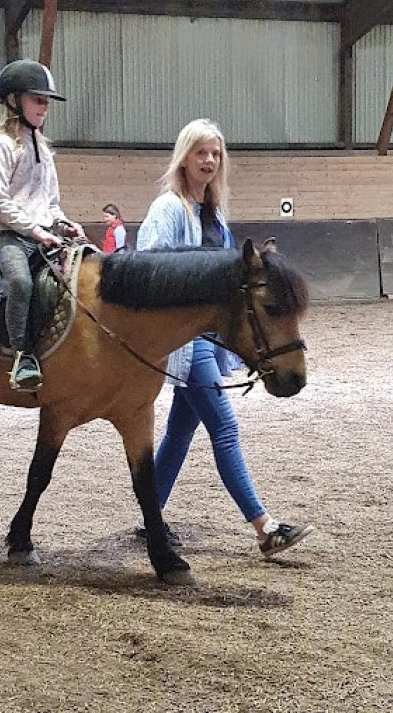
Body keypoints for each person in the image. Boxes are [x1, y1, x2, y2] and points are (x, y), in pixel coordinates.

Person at [135, 118, 314, 557]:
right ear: (184, 158)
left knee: (180, 431)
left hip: (213, 339)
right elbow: (150, 267)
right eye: (201, 152)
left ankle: (149, 515)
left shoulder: (214, 214)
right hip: (187, 340)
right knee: (225, 428)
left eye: (215, 153)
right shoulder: (168, 209)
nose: (209, 160)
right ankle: (265, 528)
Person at [0, 59, 84, 391]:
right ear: (14, 100)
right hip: (7, 235)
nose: (44, 107)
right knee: (21, 282)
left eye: (46, 102)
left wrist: (63, 223)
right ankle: (22, 356)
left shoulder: (43, 147)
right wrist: (35, 230)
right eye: (38, 100)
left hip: (42, 234)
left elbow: (50, 202)